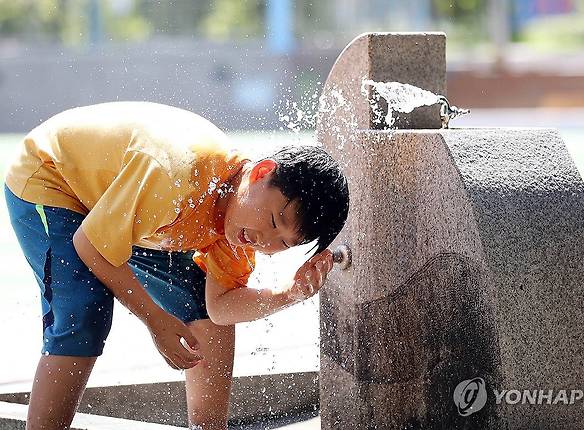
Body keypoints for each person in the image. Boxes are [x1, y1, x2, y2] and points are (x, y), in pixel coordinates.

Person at [4, 101, 349, 430]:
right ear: (261, 173)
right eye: (274, 220)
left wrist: (289, 294)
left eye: (284, 244)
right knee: (84, 312)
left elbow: (220, 308)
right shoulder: (176, 178)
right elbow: (90, 245)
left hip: (125, 212)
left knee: (198, 301)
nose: (265, 242)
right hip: (52, 179)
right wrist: (155, 319)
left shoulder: (243, 226)